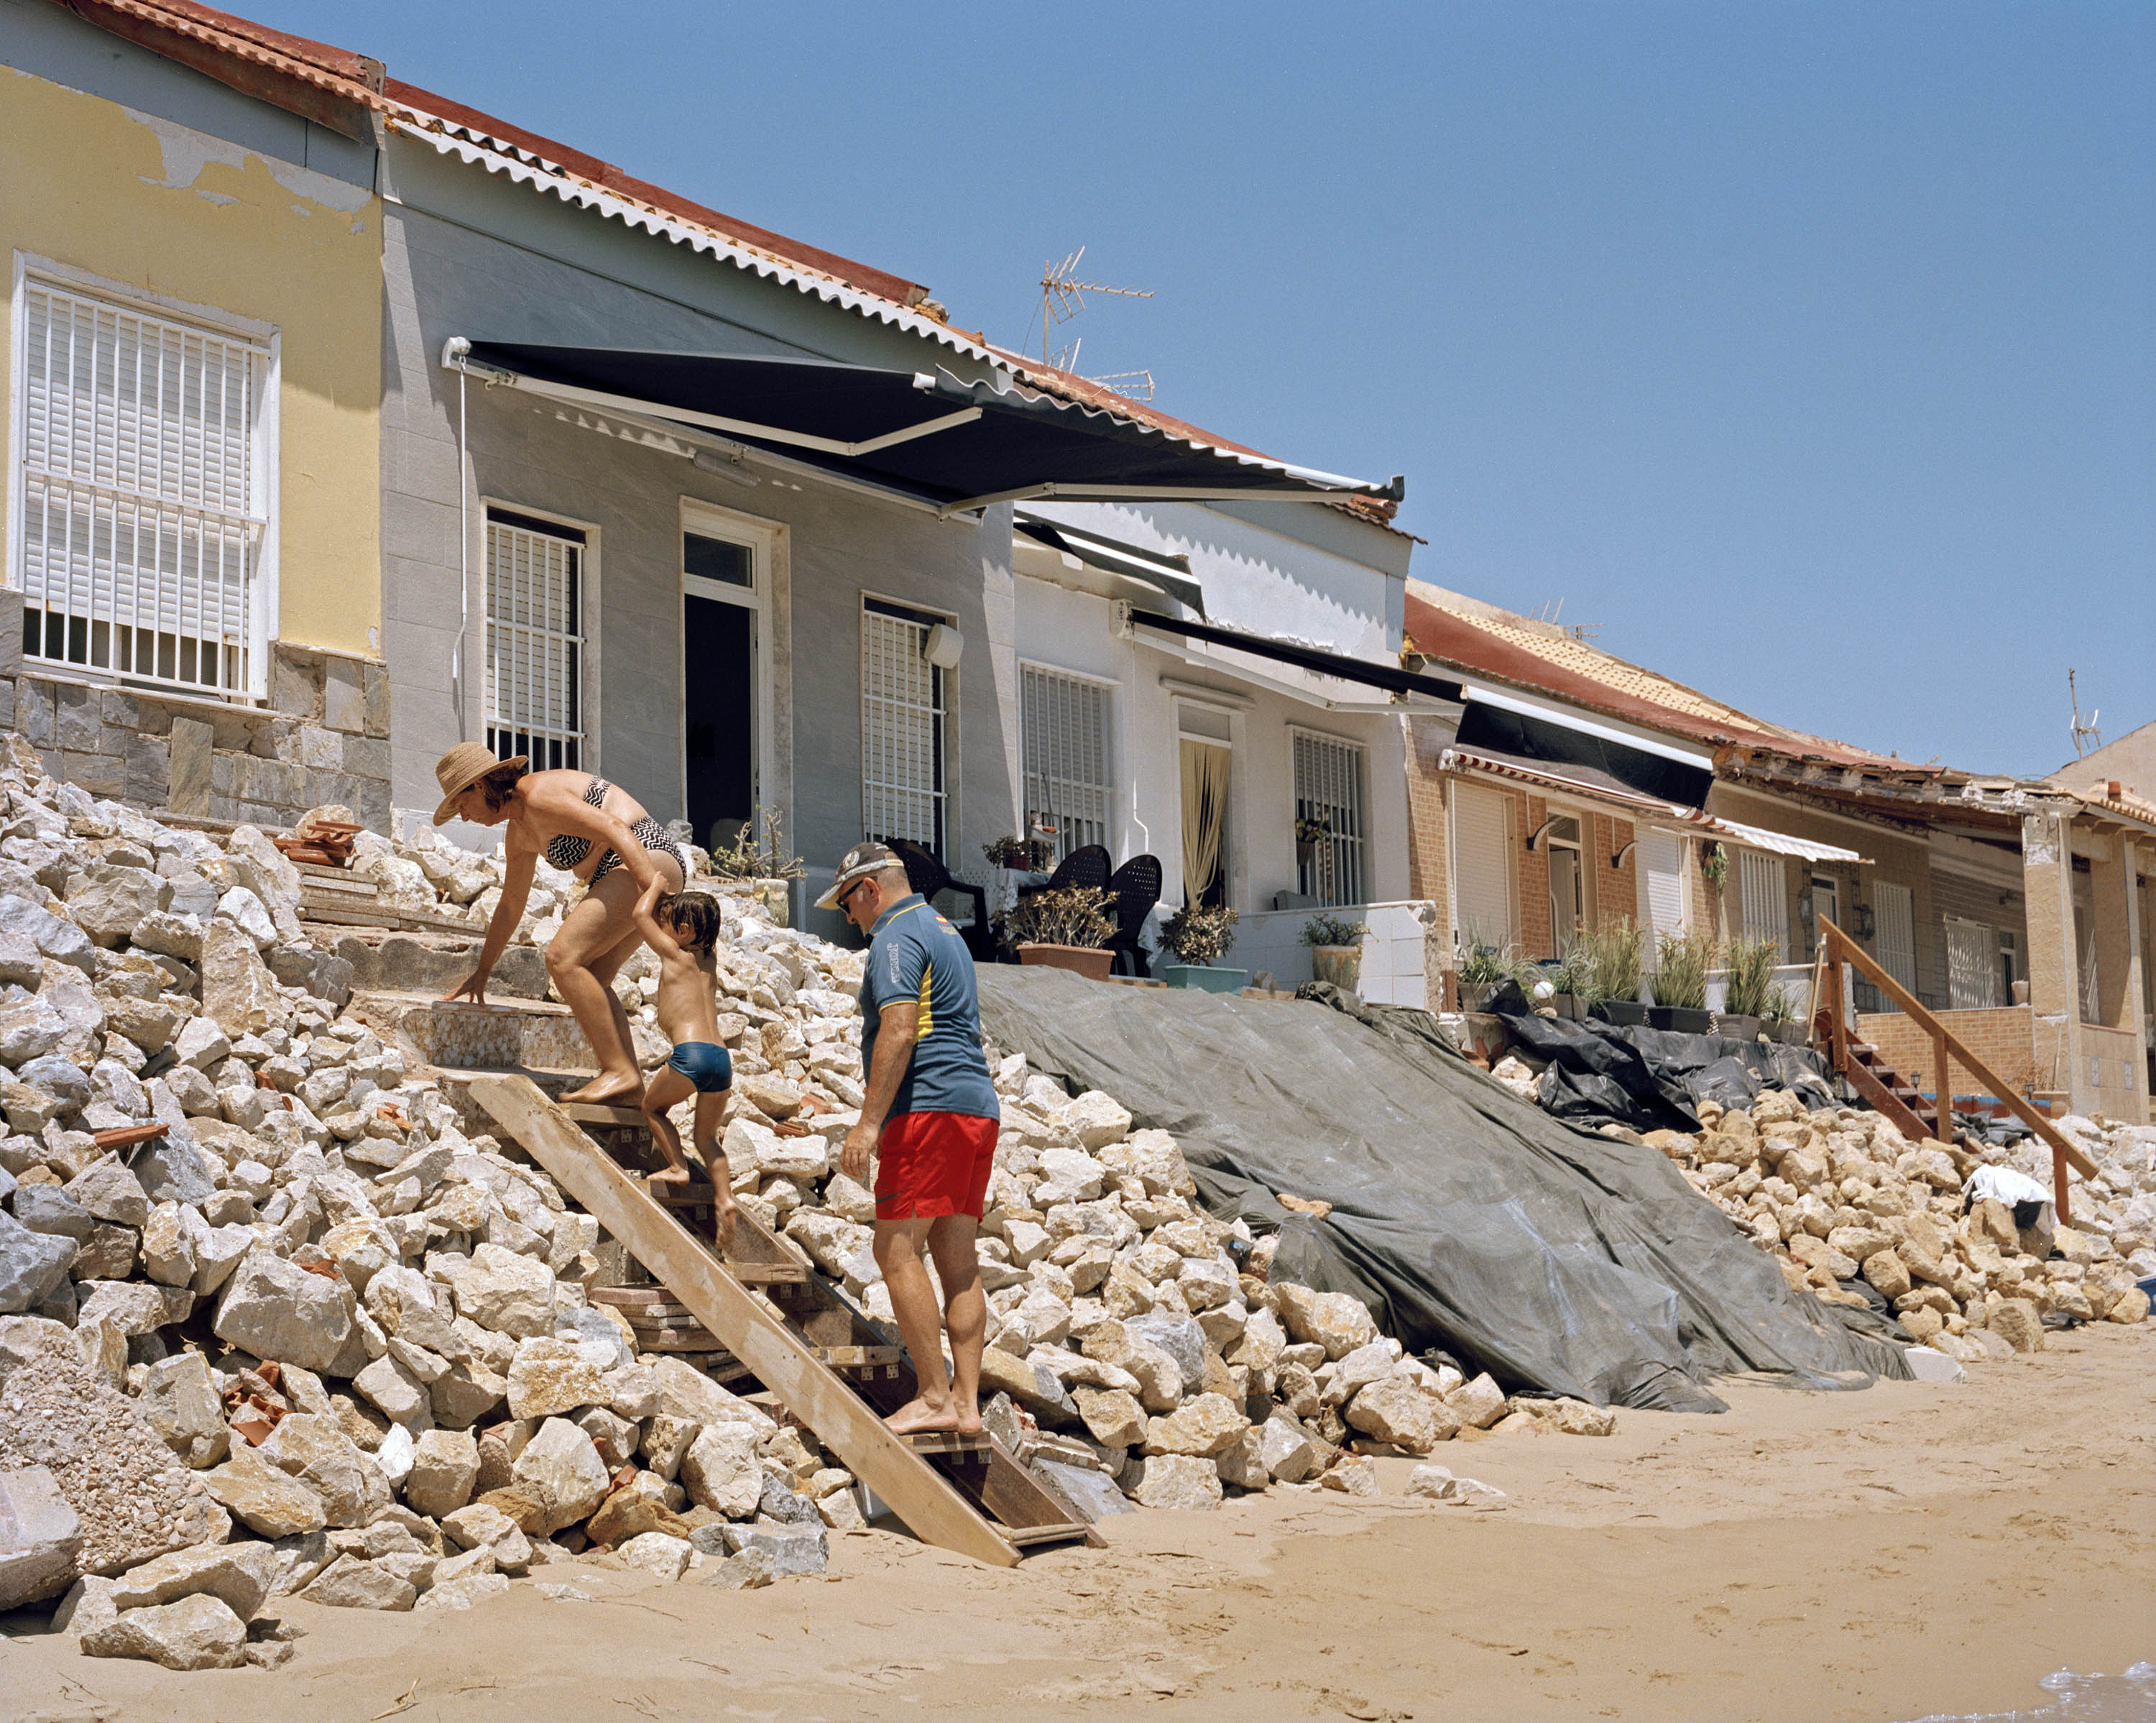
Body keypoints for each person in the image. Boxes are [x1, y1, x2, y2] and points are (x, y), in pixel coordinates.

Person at [823, 842, 1000, 1436]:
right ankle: (967, 1404)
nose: (850, 918)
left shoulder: (895, 936)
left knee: (895, 1250)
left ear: (870, 889)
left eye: (847, 904)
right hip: (976, 1109)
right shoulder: (947, 931)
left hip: (928, 1108)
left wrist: (868, 1124)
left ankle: (932, 1396)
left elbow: (899, 1031)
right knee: (958, 1260)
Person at [430, 743, 688, 1105]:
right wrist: (483, 971)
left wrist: (660, 899)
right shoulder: (519, 832)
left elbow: (615, 828)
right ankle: (630, 1087)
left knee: (562, 958)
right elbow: (511, 904)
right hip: (626, 871)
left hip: (645, 856)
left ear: (480, 785)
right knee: (593, 976)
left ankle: (619, 1072)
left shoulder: (537, 795)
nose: (464, 817)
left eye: (462, 804)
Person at [631, 874, 738, 1251]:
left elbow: (639, 915)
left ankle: (677, 1166)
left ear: (685, 930)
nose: (663, 929)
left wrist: (655, 886)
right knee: (707, 1138)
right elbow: (699, 925)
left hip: (691, 1054)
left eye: (669, 924)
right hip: (721, 1060)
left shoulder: (675, 954)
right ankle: (725, 1199)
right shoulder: (710, 959)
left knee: (652, 1108)